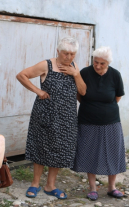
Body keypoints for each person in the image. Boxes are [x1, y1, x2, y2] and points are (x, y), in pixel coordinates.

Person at [16, 37, 86, 199]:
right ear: (58, 52)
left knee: (60, 150)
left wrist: (76, 74)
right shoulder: (46, 65)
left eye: (72, 54)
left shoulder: (75, 67)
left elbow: (82, 92)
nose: (68, 57)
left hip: (67, 117)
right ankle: (34, 184)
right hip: (45, 114)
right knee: (41, 147)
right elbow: (22, 75)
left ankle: (50, 185)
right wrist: (38, 91)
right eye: (65, 53)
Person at [71, 46, 126, 201]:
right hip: (88, 120)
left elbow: (117, 96)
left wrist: (105, 108)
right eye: (96, 62)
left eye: (102, 63)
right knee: (90, 152)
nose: (98, 66)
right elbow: (79, 94)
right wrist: (92, 106)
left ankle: (111, 187)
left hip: (111, 121)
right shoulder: (85, 73)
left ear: (108, 63)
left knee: (113, 153)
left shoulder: (115, 75)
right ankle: (92, 188)